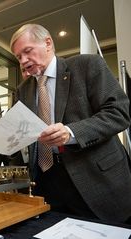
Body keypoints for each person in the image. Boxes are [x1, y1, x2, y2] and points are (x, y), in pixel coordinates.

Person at [10, 23, 131, 223]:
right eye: (18, 57)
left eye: (27, 51)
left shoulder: (88, 65)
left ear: (48, 43)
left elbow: (119, 112)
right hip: (47, 182)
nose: (23, 61)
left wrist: (71, 132)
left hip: (96, 179)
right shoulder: (23, 90)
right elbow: (20, 134)